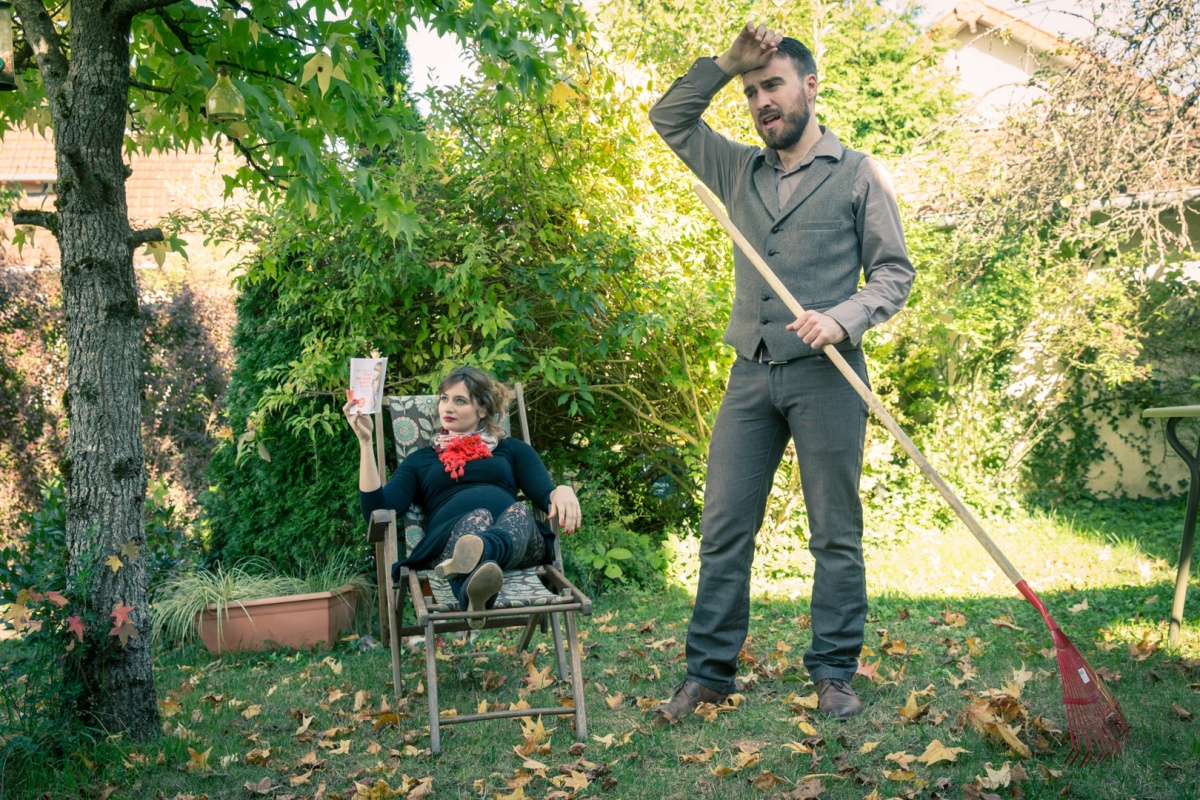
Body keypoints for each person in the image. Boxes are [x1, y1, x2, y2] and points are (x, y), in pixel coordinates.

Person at [648, 22, 914, 720]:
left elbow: (892, 275)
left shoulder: (857, 173)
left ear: (809, 86)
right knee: (725, 525)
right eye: (751, 90)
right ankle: (708, 672)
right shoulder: (738, 169)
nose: (762, 100)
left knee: (834, 531)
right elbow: (668, 118)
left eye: (772, 84)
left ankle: (833, 674)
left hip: (829, 376)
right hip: (750, 376)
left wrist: (843, 318)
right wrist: (724, 62)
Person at [345, 366, 581, 626]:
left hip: (519, 543)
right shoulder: (420, 461)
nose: (448, 407)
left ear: (482, 410)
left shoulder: (512, 450)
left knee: (519, 511)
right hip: (450, 545)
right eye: (444, 398)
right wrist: (365, 443)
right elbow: (377, 511)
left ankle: (477, 565)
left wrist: (563, 489)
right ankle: (475, 582)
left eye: (460, 401)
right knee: (476, 519)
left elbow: (546, 495)